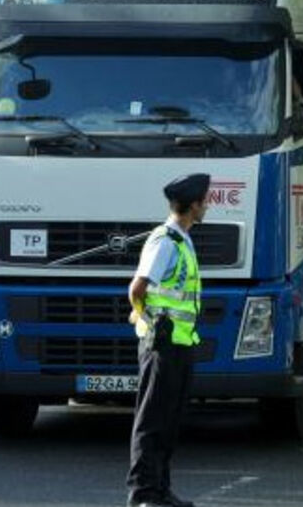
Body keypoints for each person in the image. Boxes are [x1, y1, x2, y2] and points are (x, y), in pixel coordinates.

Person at [126, 173, 210, 507]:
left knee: (169, 422)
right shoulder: (165, 241)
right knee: (151, 421)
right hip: (161, 345)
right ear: (194, 205)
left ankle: (160, 490)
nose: (208, 206)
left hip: (181, 343)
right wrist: (147, 320)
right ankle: (143, 493)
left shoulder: (182, 240)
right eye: (205, 201)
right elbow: (137, 288)